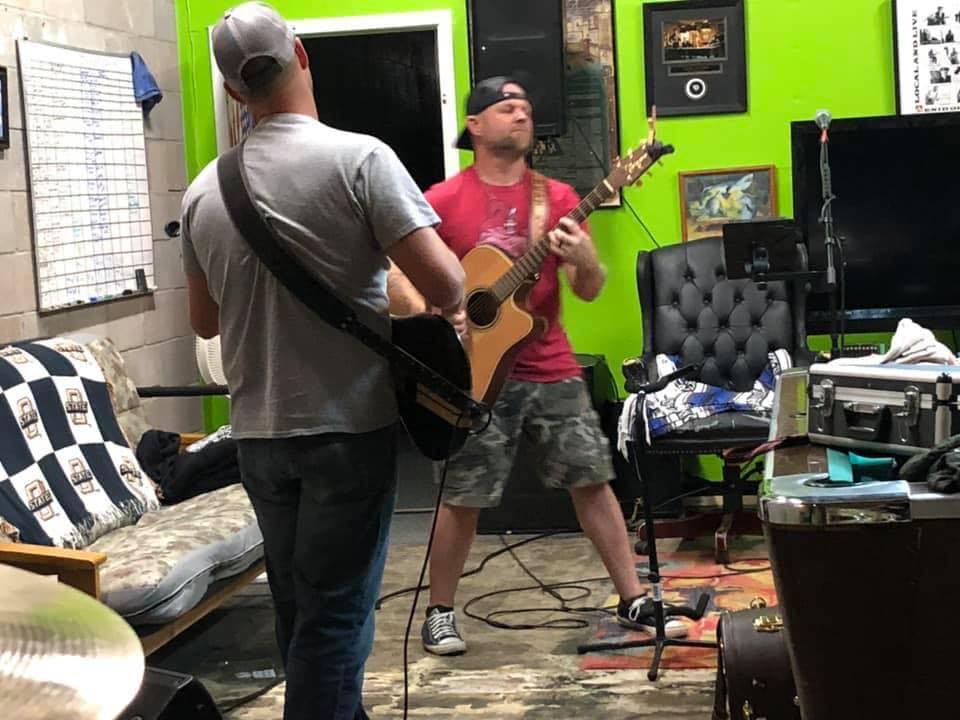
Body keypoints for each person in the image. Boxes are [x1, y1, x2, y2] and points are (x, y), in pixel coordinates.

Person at [180, 3, 465, 718]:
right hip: (346, 430)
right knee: (336, 622)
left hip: (257, 437)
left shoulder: (203, 191)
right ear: (301, 55)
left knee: (301, 612)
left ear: (233, 92)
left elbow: (204, 321)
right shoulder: (360, 159)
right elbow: (448, 287)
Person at [389, 76, 688, 656]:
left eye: (525, 107)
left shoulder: (559, 197)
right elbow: (398, 274)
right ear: (475, 125)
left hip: (549, 361)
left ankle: (632, 598)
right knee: (463, 494)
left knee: (592, 479)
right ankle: (440, 612)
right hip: (473, 372)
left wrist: (587, 258)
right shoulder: (443, 200)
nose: (521, 114)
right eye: (507, 108)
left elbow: (589, 288)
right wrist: (435, 316)